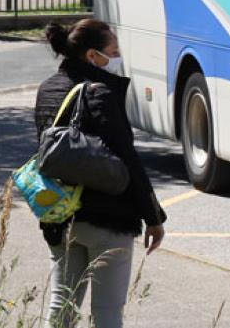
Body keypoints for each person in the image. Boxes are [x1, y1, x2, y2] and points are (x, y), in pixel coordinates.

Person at [35, 20, 166, 328]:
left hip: (60, 213)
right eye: (114, 52)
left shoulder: (47, 89)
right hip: (108, 220)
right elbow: (128, 159)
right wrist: (153, 217)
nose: (118, 58)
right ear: (92, 56)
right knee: (107, 313)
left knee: (61, 306)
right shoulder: (100, 93)